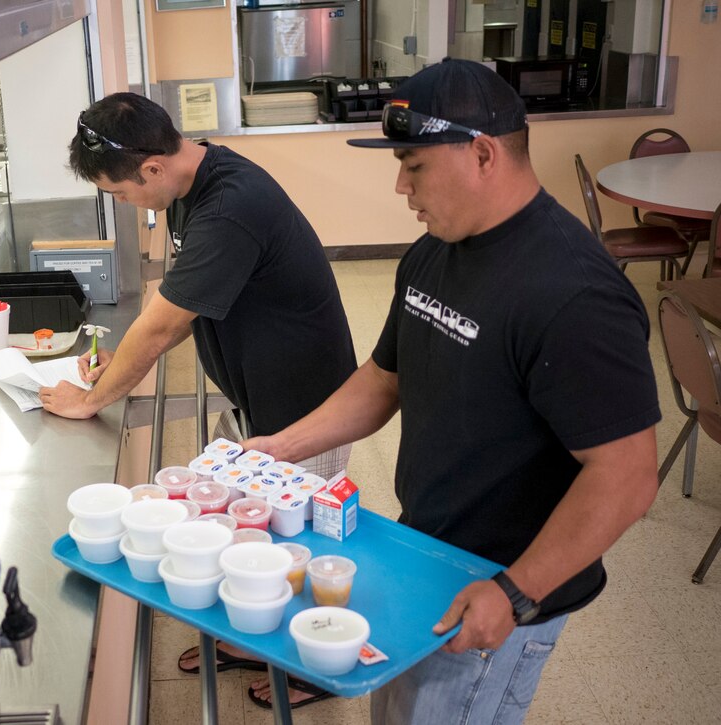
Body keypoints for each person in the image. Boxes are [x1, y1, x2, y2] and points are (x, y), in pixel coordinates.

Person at [240, 59, 660, 720]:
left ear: (483, 153)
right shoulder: (436, 250)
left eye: (415, 165)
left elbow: (628, 475)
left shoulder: (574, 294)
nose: (401, 186)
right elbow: (385, 378)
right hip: (429, 554)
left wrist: (515, 592)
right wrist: (281, 446)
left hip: (503, 583)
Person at [39, 93, 359, 704]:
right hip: (257, 389)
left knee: (302, 538)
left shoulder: (229, 206)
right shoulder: (193, 184)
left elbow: (162, 327)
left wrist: (91, 399)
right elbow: (181, 298)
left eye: (122, 193)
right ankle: (254, 635)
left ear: (153, 168)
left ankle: (318, 663)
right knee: (254, 525)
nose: (127, 204)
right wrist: (112, 362)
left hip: (306, 402)